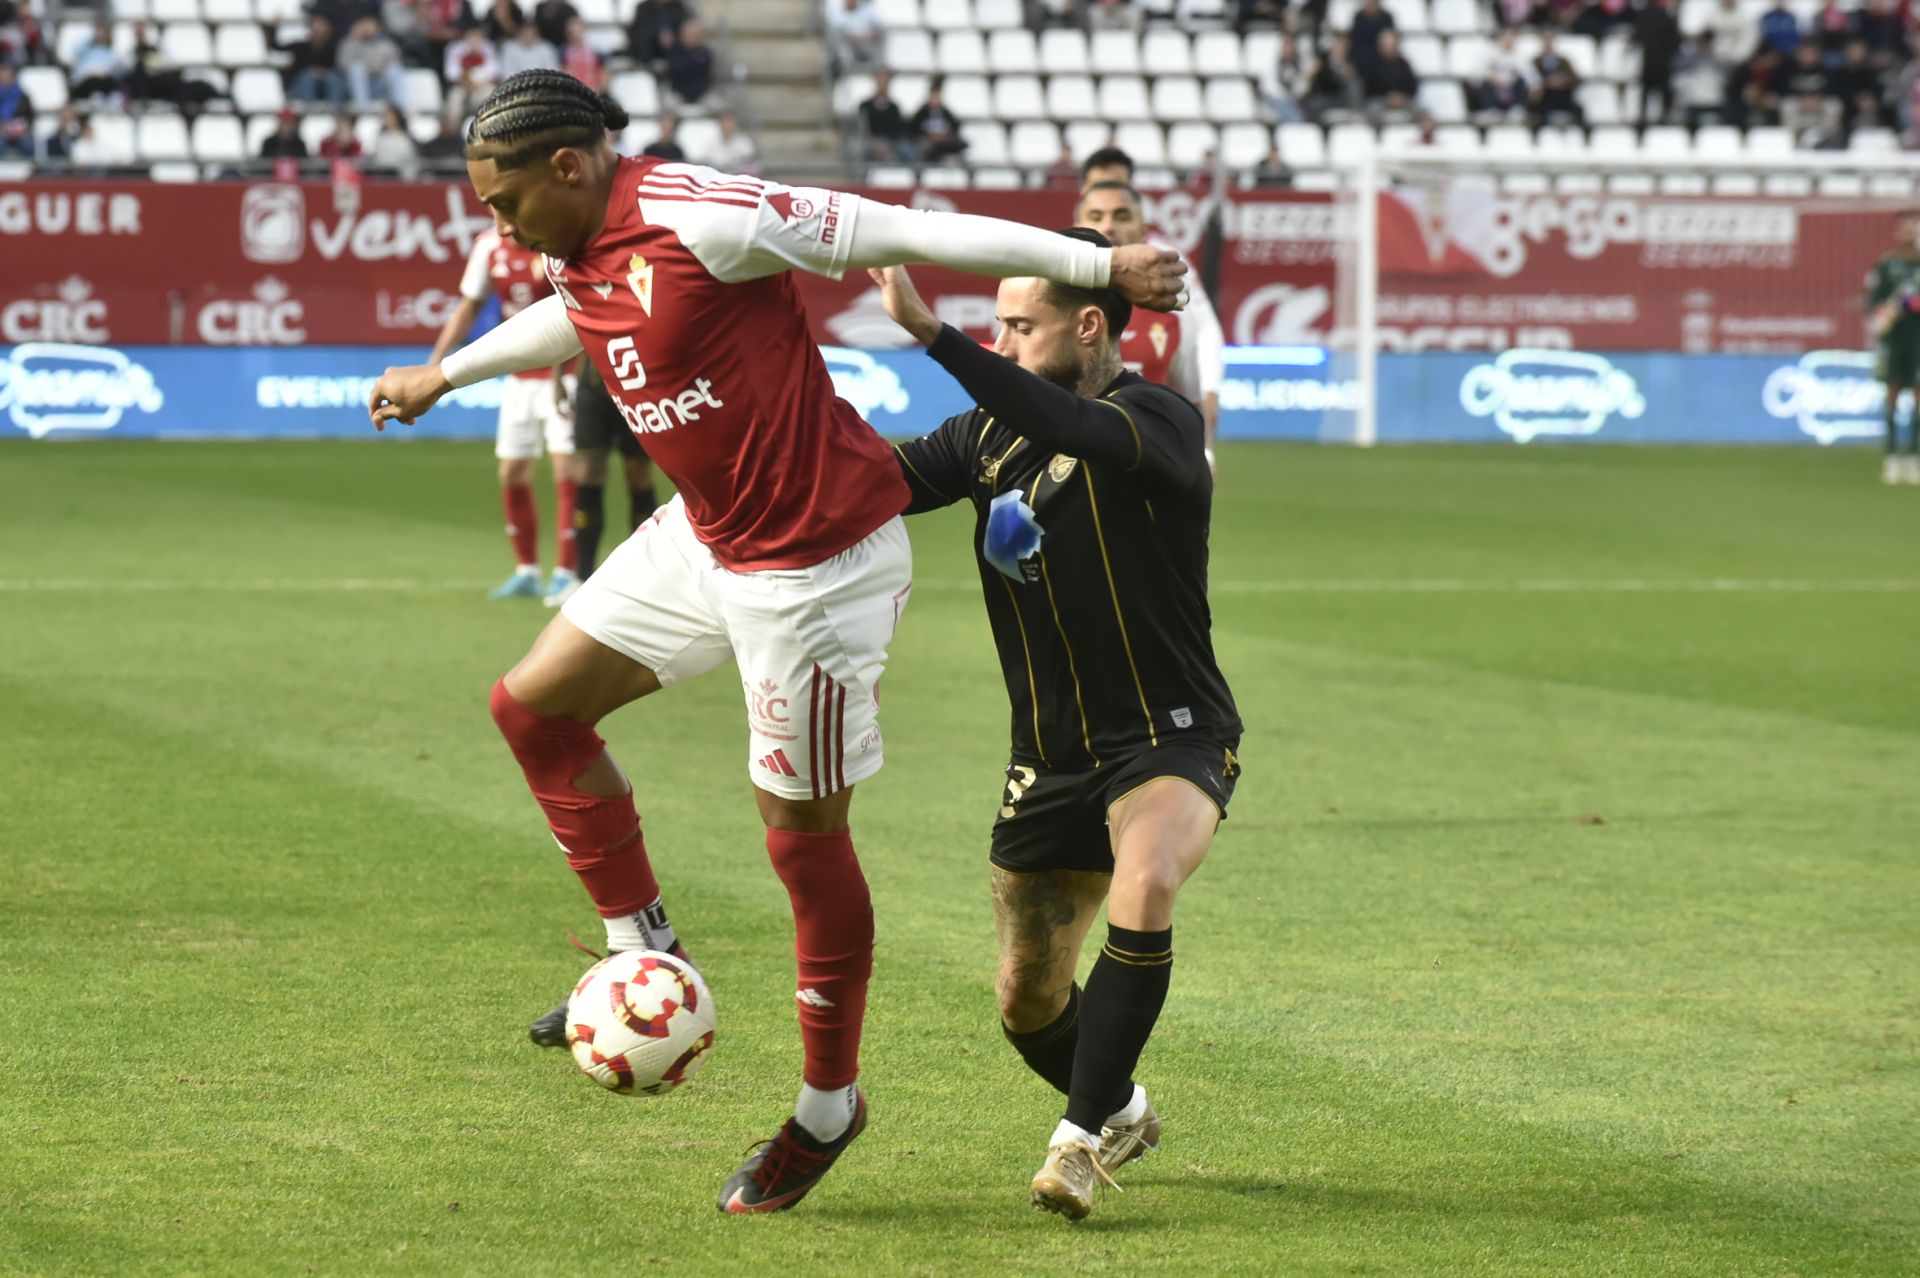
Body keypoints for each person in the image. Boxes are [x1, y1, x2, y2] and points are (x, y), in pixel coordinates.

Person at [364, 69, 1186, 1215]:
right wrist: (443, 374)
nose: (493, 224)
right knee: (534, 710)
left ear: (569, 167)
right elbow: (578, 313)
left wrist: (1100, 264)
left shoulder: (707, 212)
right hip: (708, 538)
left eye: (503, 201)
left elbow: (901, 227)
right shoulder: (580, 240)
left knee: (800, 842)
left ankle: (826, 1106)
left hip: (816, 570)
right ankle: (644, 953)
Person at [875, 237, 1240, 1223]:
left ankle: (1076, 1147)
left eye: (1018, 327)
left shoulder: (1152, 417)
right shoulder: (984, 440)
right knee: (1027, 998)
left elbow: (1066, 419)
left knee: (1146, 880)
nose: (1001, 341)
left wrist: (935, 336)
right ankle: (1118, 1108)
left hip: (1170, 735)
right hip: (1049, 756)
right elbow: (867, 481)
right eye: (994, 324)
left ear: (1089, 326)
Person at [426, 221, 581, 603]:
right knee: (512, 471)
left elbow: (575, 310)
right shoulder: (487, 247)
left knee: (566, 468)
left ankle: (567, 572)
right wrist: (434, 365)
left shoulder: (556, 239)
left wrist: (563, 373)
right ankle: (526, 570)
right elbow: (469, 305)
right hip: (519, 375)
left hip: (565, 374)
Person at [1079, 147, 1224, 479]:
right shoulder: (1051, 278)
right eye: (1097, 210)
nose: (1109, 225)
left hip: (1146, 459)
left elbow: (1202, 331)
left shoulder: (1167, 271)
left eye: (1121, 211)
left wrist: (1205, 447)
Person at [1076, 182, 1202, 409]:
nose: (1108, 227)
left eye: (1122, 217)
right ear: (1078, 226)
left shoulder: (1175, 314)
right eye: (1096, 217)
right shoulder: (1048, 306)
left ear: (1143, 231)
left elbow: (1189, 405)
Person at [564, 359, 658, 578]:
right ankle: (582, 575)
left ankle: (645, 574)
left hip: (635, 381)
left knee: (639, 474)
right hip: (591, 382)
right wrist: (559, 379)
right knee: (588, 472)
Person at [1865, 210, 1920, 485]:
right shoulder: (1886, 265)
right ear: (1897, 232)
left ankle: (1913, 457)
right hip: (1894, 342)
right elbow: (1872, 302)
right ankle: (1891, 458)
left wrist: (1914, 305)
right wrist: (1885, 314)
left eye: (1913, 228)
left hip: (1919, 340)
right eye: (1904, 228)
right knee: (1892, 397)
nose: (1909, 233)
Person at [337, 15, 408, 108]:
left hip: (380, 83)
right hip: (358, 85)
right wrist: (355, 40)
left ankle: (400, 108)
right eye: (365, 25)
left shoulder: (387, 44)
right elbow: (343, 64)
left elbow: (396, 62)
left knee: (394, 69)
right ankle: (362, 108)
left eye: (371, 25)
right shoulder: (350, 42)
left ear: (378, 27)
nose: (367, 28)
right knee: (357, 68)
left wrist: (381, 69)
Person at [1634, 0, 1681, 124]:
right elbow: (1675, 42)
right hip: (1660, 62)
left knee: (1648, 92)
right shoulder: (1666, 17)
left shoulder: (1643, 15)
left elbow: (1637, 37)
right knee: (1659, 91)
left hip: (1651, 61)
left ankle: (1645, 117)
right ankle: (1663, 117)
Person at [859, 69, 915, 162]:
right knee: (860, 150)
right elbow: (861, 130)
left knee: (909, 150)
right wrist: (874, 144)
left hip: (892, 143)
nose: (882, 83)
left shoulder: (894, 107)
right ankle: (858, 176)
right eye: (880, 80)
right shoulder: (865, 106)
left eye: (885, 80)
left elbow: (899, 131)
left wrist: (891, 146)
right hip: (871, 143)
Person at [911, 78, 966, 163]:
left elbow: (955, 126)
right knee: (926, 146)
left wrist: (944, 136)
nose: (935, 100)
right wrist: (929, 136)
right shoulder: (922, 112)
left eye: (937, 96)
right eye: (933, 96)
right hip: (928, 142)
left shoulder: (945, 112)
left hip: (943, 141)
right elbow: (913, 128)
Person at [663, 17, 712, 105]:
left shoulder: (705, 52)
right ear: (683, 36)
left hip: (702, 95)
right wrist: (692, 58)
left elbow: (704, 71)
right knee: (667, 115)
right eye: (691, 35)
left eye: (697, 35)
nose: (694, 38)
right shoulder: (674, 52)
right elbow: (678, 69)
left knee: (725, 113)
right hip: (678, 94)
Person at [825, 0, 882, 72]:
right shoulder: (835, 15)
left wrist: (862, 39)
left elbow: (878, 33)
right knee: (843, 49)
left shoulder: (868, 12)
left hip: (865, 49)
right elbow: (837, 37)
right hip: (845, 49)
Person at [559, 16, 602, 88]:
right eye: (572, 32)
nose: (575, 35)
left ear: (583, 30)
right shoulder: (563, 51)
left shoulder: (595, 49)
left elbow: (602, 71)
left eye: (577, 31)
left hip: (593, 90)